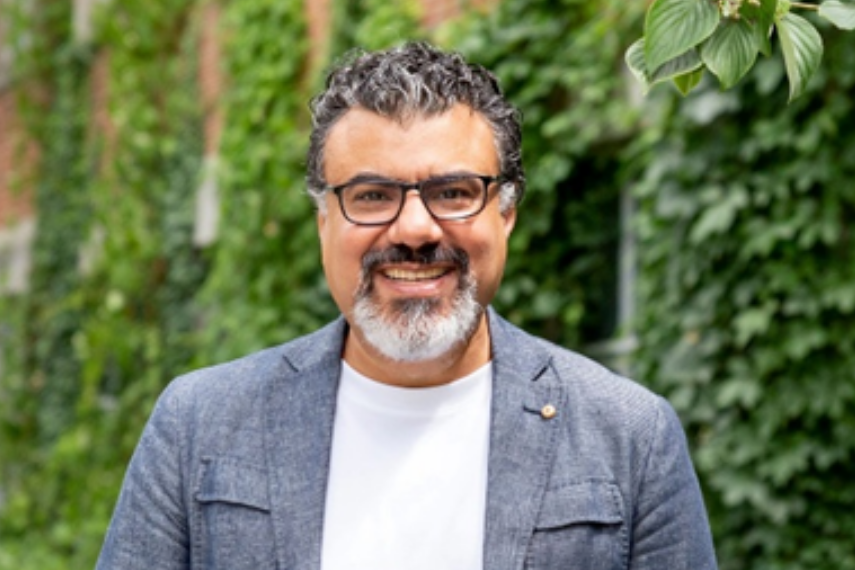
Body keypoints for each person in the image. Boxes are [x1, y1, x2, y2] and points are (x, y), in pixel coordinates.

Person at [96, 41, 717, 570]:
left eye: (453, 191)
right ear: (323, 223)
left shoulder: (630, 435)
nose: (415, 229)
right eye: (371, 195)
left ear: (507, 217)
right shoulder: (198, 424)